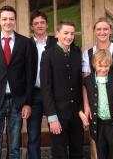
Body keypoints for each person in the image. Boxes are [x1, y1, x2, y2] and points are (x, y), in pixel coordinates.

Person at [0, 6, 32, 159]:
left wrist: (27, 102)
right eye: (4, 19)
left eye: (11, 19)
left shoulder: (25, 43)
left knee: (14, 148)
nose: (8, 22)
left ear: (15, 21)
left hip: (17, 101)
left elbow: (29, 75)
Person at [79, 49, 113, 159]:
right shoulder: (88, 81)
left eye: (106, 66)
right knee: (102, 154)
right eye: (100, 66)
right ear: (94, 64)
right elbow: (83, 100)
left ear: (110, 64)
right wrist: (82, 111)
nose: (103, 69)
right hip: (98, 125)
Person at [40, 20, 83, 159]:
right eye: (65, 33)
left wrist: (82, 110)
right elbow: (46, 89)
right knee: (60, 153)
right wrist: (52, 118)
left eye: (72, 33)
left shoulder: (77, 53)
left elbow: (79, 84)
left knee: (78, 151)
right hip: (57, 115)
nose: (69, 36)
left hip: (76, 114)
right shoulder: (48, 55)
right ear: (57, 34)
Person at [81, 17, 113, 121]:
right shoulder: (88, 54)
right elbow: (86, 85)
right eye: (99, 29)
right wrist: (87, 107)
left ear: (111, 31)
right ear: (95, 31)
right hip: (99, 106)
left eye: (105, 29)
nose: (102, 32)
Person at [27, 11, 57, 159]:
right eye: (36, 23)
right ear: (32, 26)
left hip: (53, 93)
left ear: (47, 24)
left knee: (57, 131)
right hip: (34, 93)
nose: (39, 25)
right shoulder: (26, 44)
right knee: (33, 134)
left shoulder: (56, 42)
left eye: (42, 22)